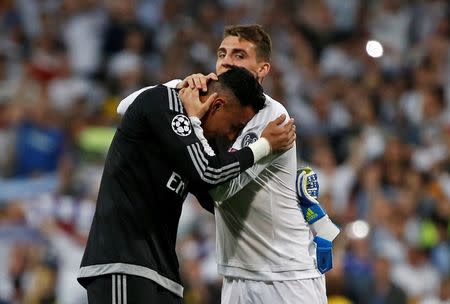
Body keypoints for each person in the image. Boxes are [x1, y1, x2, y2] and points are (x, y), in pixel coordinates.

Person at [118, 24, 338, 304]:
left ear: (262, 69)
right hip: (237, 276)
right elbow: (125, 107)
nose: (226, 61)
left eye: (239, 55)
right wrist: (179, 86)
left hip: (286, 276)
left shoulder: (272, 116)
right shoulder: (208, 103)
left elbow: (220, 187)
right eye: (222, 53)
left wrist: (191, 120)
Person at [77, 66, 296, 303]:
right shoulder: (161, 101)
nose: (232, 136)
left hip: (164, 274)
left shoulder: (199, 137)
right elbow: (209, 172)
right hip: (122, 263)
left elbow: (214, 197)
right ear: (217, 104)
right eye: (234, 126)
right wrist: (264, 146)